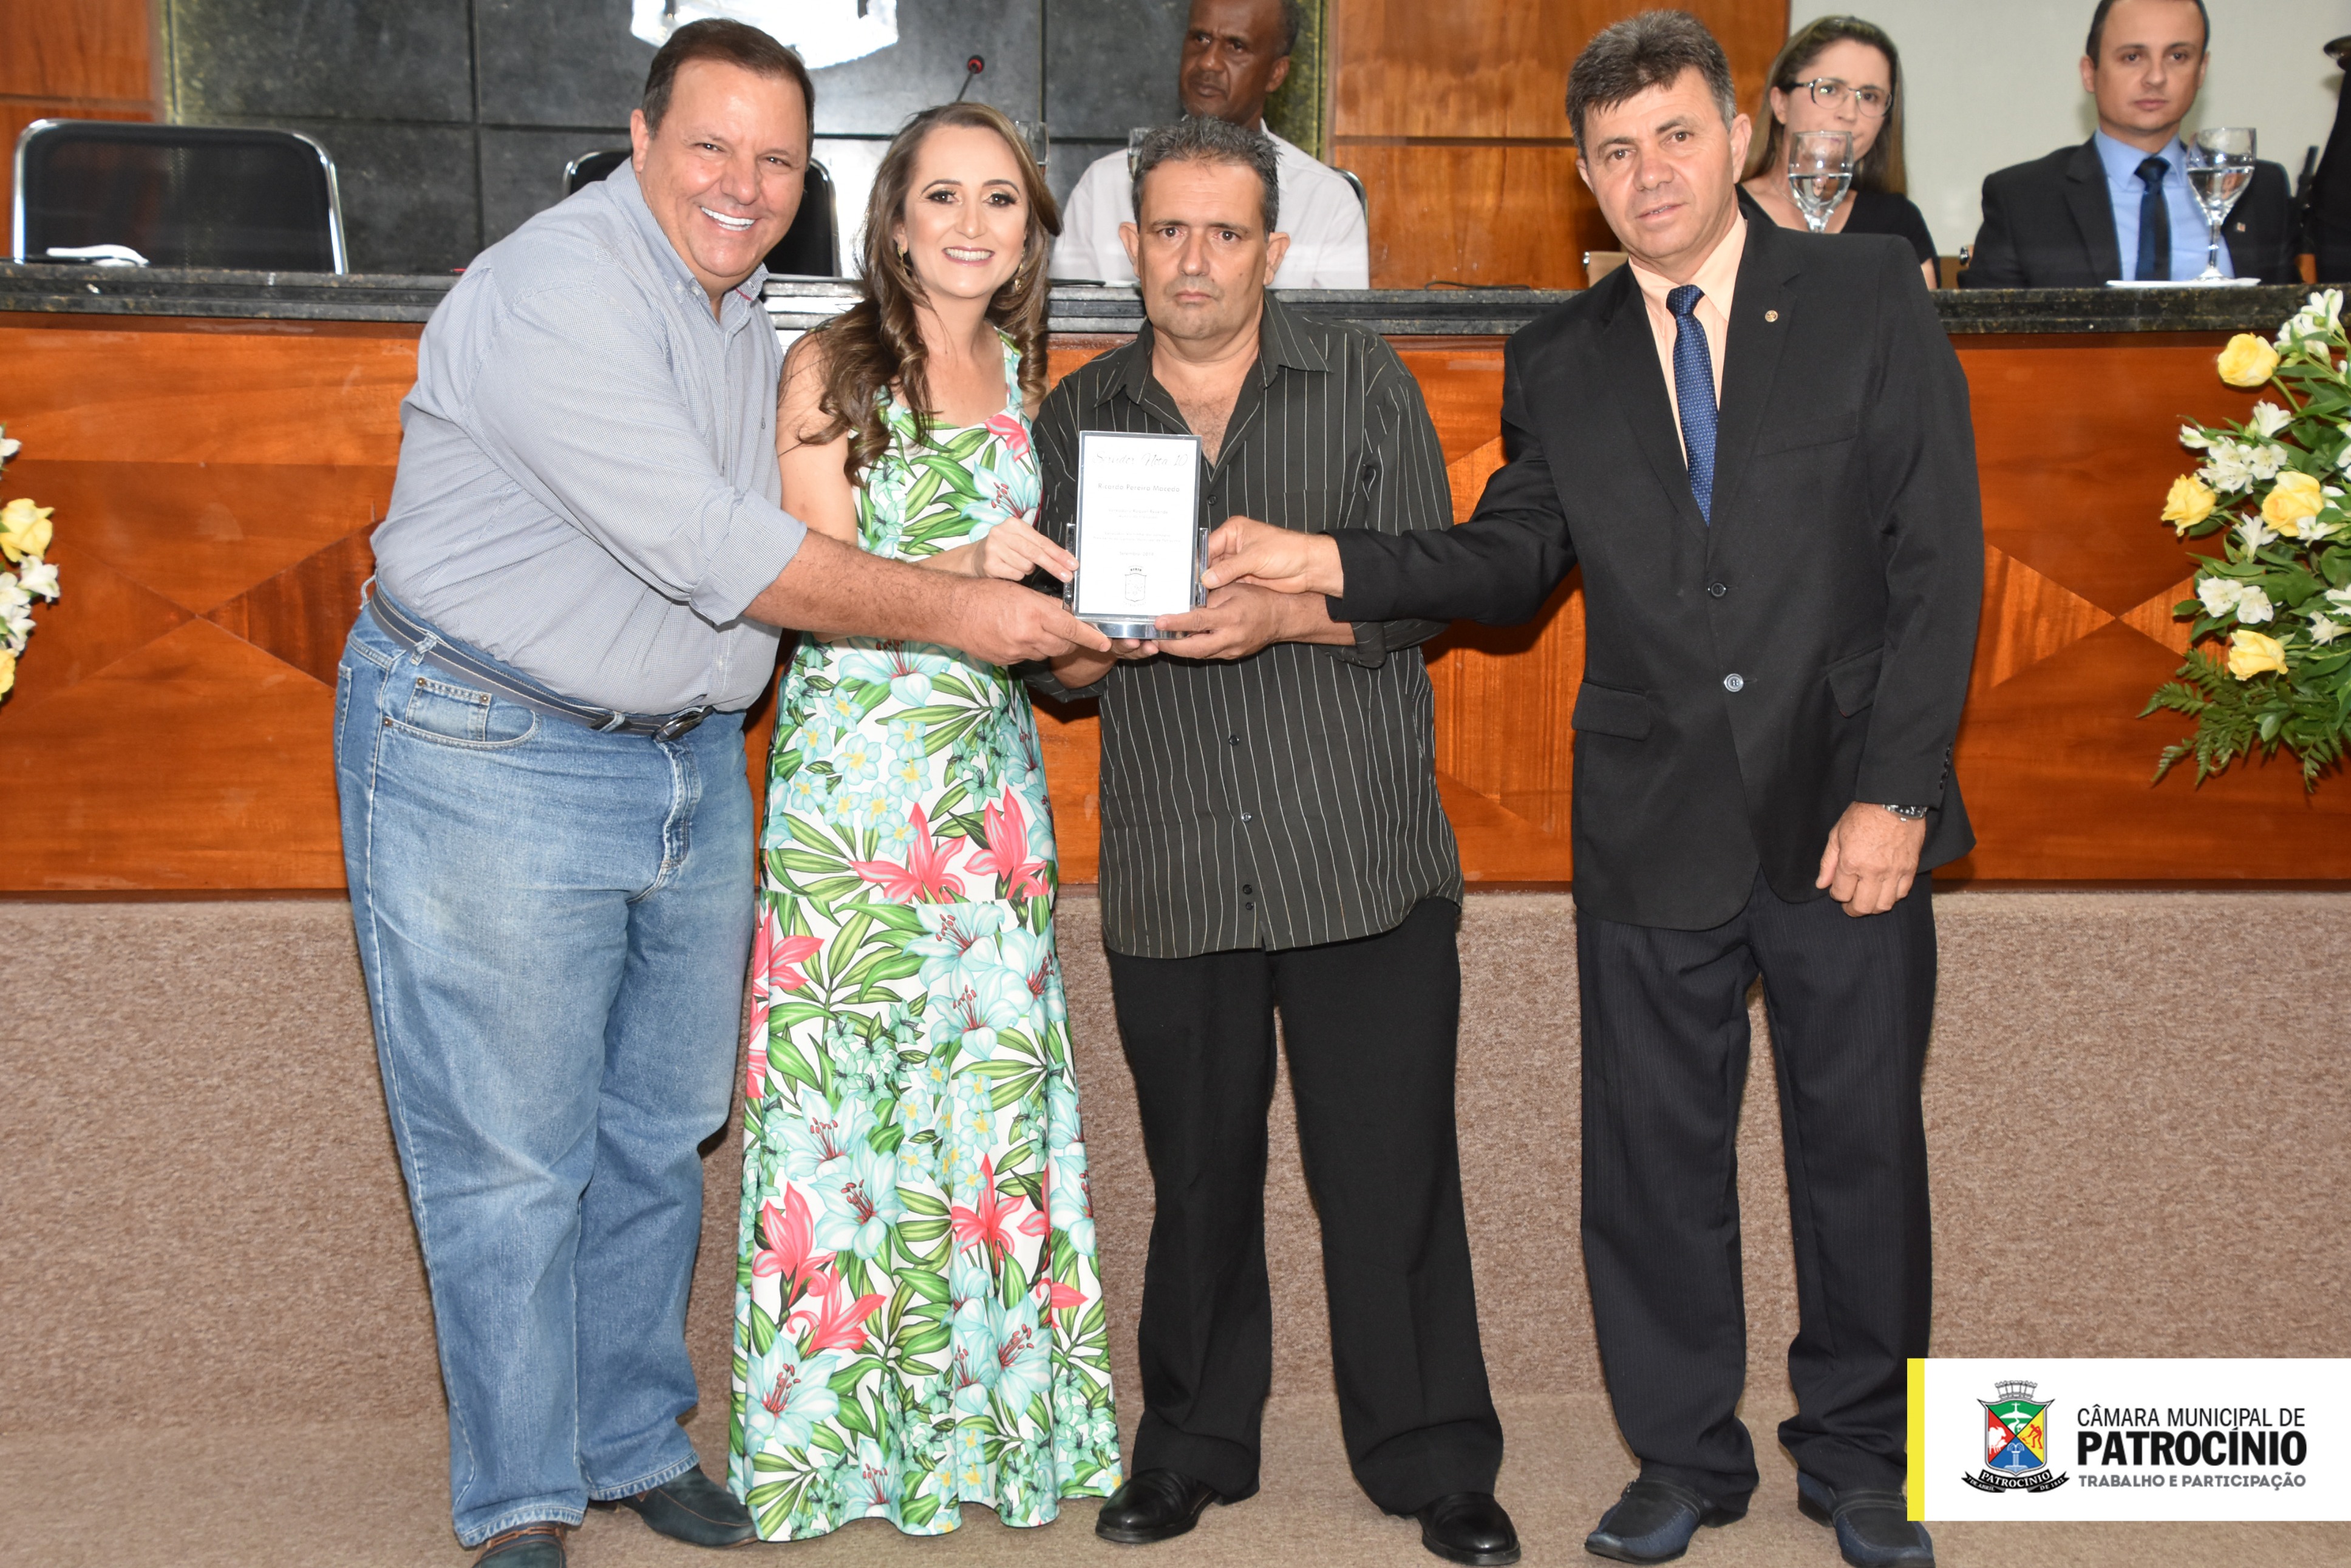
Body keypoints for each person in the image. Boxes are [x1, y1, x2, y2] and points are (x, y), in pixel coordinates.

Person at [1202, 13, 1980, 1568]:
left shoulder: (1865, 296)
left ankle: (1860, 1457)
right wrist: (1329, 562)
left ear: (1739, 138)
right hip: (1651, 813)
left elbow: (1937, 558)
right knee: (1649, 1163)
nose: (1649, 174)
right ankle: (1682, 1457)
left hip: (1843, 808)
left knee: (1858, 1153)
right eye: (1615, 152)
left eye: (1675, 136)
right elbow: (1508, 560)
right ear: (1584, 173)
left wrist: (1897, 794)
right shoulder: (1559, 355)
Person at [338, 23, 1106, 1568]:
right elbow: (718, 548)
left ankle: (629, 1437)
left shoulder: (736, 315)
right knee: (511, 1152)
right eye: (710, 146)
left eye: (773, 160)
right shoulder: (557, 293)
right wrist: (965, 603)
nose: (741, 184)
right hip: (496, 746)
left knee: (659, 1124)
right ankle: (521, 1497)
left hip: (684, 758)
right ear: (639, 140)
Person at [1028, 114, 1517, 1568]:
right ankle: (1190, 1446)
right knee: (1198, 1181)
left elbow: (1429, 589)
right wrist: (1093, 646)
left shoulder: (1361, 379)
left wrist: (1285, 614)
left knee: (1391, 1174)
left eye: (1224, 233)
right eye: (1169, 231)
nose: (1194, 259)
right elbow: (1053, 665)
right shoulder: (1077, 413)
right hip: (1176, 858)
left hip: (1355, 850)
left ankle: (1435, 1460)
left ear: (1272, 248)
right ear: (1129, 245)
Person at [727, 100, 1124, 1541]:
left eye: (999, 199)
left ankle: (987, 1441)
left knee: (984, 1101)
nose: (969, 224)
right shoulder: (829, 364)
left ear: (1032, 231)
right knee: (849, 1112)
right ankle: (837, 1454)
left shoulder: (1031, 377)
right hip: (855, 785)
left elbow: (1042, 615)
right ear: (893, 217)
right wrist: (965, 567)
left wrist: (1095, 634)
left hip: (987, 790)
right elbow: (811, 580)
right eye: (941, 196)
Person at [1964, 0, 2293, 287]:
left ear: (2201, 70)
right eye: (2133, 57)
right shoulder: (2023, 199)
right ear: (2089, 73)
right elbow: (1986, 333)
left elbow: (2295, 325)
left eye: (2178, 56)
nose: (2156, 77)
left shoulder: (2257, 190)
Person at [1050, 0, 1367, 288]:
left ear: (1276, 73)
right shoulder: (1104, 186)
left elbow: (1338, 332)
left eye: (1236, 46)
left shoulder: (1327, 202)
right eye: (1200, 39)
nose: (1209, 63)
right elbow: (1071, 327)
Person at [1738, 15, 1939, 288]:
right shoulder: (1729, 214)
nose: (1849, 113)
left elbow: (1920, 315)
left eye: (1869, 96)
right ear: (1781, 104)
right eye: (1829, 89)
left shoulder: (1897, 224)